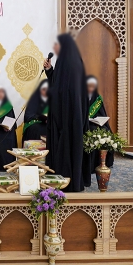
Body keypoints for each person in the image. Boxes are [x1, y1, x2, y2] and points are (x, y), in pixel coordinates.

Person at [42, 33, 91, 191]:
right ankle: (63, 180)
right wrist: (50, 70)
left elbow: (66, 91)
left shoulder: (70, 62)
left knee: (66, 148)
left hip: (68, 117)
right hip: (68, 116)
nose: (56, 48)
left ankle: (67, 182)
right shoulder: (68, 61)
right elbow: (58, 84)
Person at [87, 75, 114, 168]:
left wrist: (98, 120)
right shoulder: (80, 96)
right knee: (91, 131)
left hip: (96, 123)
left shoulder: (97, 98)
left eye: (92, 86)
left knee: (106, 131)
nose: (90, 88)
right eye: (89, 86)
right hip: (85, 124)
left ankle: (104, 162)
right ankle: (91, 164)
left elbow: (102, 113)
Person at [22, 79, 49, 145]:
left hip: (49, 125)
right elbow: (27, 117)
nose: (46, 92)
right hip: (35, 124)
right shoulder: (34, 100)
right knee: (36, 129)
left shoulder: (54, 101)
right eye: (44, 89)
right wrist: (39, 117)